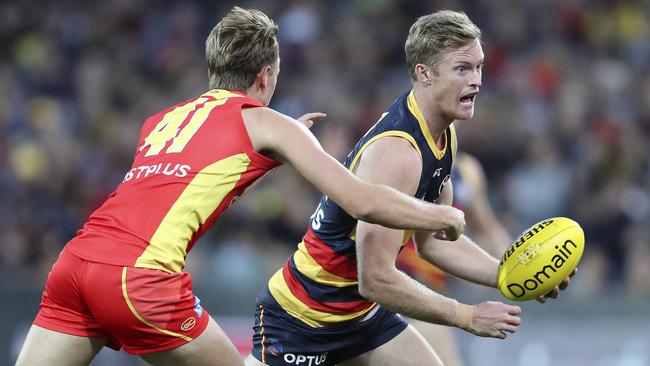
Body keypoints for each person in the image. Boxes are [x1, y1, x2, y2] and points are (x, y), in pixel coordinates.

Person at [14, 7, 467, 366]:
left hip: (73, 266)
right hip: (141, 278)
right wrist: (441, 215)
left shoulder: (162, 120)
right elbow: (362, 201)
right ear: (267, 75)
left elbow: (190, 180)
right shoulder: (269, 123)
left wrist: (279, 150)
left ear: (213, 68)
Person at [245, 10, 574, 366]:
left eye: (478, 67)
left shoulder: (443, 135)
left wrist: (513, 276)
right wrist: (466, 316)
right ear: (424, 73)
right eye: (462, 69)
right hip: (302, 320)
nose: (477, 80)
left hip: (362, 317)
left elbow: (431, 243)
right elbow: (374, 277)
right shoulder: (398, 153)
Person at [396, 151, 512, 366]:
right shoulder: (403, 158)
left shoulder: (467, 170)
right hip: (399, 282)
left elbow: (485, 227)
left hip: (436, 287)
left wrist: (521, 266)